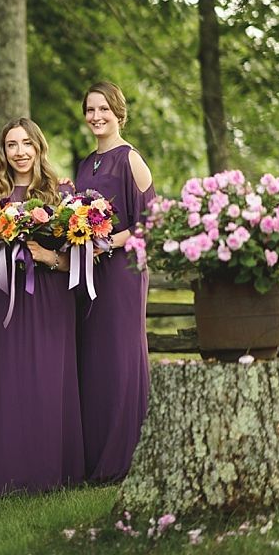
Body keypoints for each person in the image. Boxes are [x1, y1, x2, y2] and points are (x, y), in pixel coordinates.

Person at [0, 118, 84, 498]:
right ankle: (4, 476)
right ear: (3, 151)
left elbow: (79, 259)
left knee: (48, 382)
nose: (19, 152)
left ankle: (49, 475)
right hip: (4, 299)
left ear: (39, 147)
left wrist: (47, 255)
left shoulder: (60, 192)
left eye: (26, 144)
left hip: (50, 299)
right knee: (8, 384)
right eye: (12, 145)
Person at [74, 81, 155, 483]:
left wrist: (106, 242)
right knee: (96, 359)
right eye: (90, 110)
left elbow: (149, 226)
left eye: (103, 109)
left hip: (122, 272)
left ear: (118, 112)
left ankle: (128, 456)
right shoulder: (86, 162)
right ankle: (97, 454)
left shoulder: (131, 159)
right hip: (90, 272)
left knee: (122, 357)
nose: (96, 116)